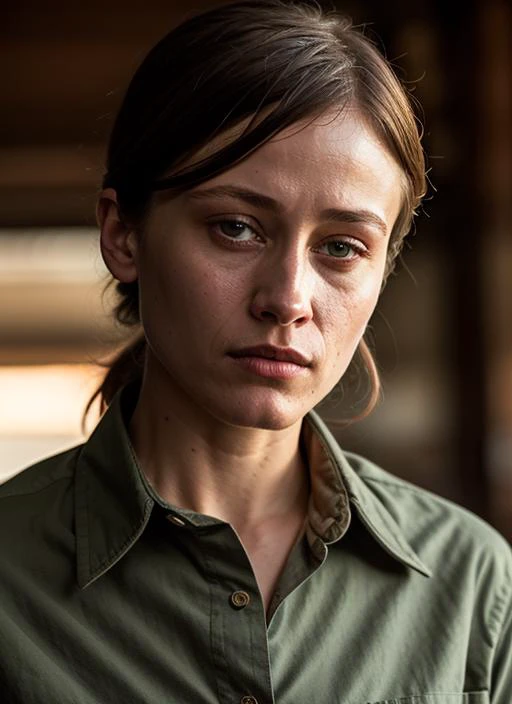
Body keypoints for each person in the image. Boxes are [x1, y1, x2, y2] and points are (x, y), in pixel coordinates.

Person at [0, 1, 510, 702]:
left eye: (341, 247)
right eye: (236, 228)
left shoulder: (472, 582)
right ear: (123, 234)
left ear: (383, 269)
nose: (289, 298)